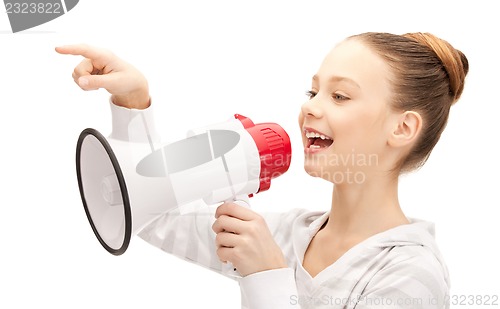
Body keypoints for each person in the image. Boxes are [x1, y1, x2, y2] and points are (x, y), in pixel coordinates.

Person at [56, 31, 468, 308]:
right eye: (313, 90)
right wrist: (134, 104)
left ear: (403, 128)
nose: (310, 106)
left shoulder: (411, 274)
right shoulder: (285, 236)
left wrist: (267, 277)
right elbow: (148, 211)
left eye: (340, 95)